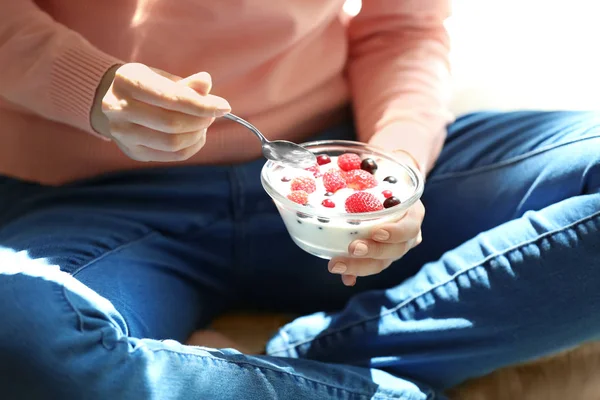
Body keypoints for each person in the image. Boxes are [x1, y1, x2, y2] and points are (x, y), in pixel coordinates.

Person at [0, 0, 598, 398]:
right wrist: (92, 87)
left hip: (340, 150)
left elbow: (403, 28)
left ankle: (306, 355)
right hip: (92, 198)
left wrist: (395, 167)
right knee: (21, 334)